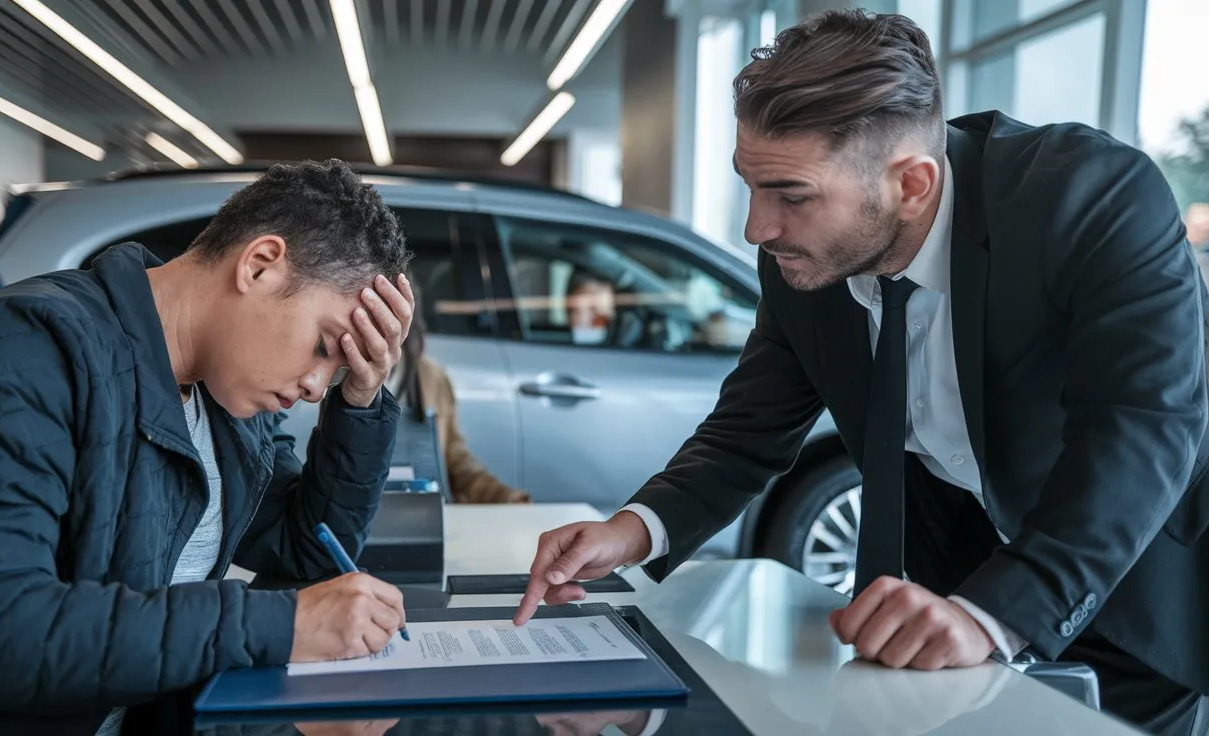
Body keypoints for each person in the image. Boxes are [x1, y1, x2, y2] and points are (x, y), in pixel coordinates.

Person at [516, 10, 1209, 735]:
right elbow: (745, 433)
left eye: (791, 195)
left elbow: (1142, 427)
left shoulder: (1090, 197)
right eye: (751, 187)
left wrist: (997, 613)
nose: (757, 228)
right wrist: (633, 530)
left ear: (912, 185)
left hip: (1125, 575)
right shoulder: (802, 256)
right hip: (955, 576)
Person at [0, 159, 415, 735]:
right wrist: (279, 624)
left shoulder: (226, 402)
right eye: (323, 347)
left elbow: (306, 552)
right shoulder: (26, 350)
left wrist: (361, 402)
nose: (318, 388)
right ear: (260, 265)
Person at [390, 288, 530, 503]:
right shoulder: (340, 376)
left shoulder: (431, 378)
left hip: (422, 512)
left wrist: (502, 496)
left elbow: (457, 462)